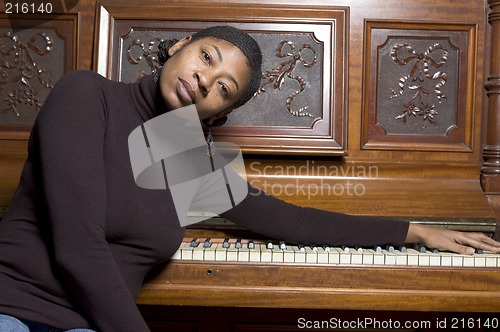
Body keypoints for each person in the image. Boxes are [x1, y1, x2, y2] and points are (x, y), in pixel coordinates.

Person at [0, 25, 499, 332]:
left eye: (224, 89)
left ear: (220, 112)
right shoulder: (86, 96)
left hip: (87, 325)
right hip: (13, 309)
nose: (205, 81)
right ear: (180, 45)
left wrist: (413, 232)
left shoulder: (189, 159)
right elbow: (77, 247)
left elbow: (292, 220)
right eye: (207, 57)